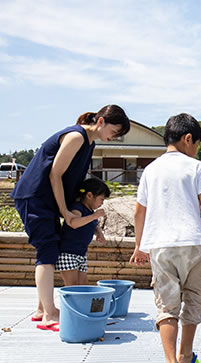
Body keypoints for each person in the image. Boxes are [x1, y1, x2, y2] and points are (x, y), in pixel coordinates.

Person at [129, 113, 201, 363]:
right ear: (187, 139)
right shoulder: (196, 167)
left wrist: (139, 246)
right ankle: (186, 355)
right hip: (194, 243)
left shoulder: (151, 170)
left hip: (161, 246)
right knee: (194, 300)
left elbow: (139, 211)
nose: (196, 149)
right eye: (196, 143)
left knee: (167, 305)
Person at [11, 105, 129, 331]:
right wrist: (65, 211)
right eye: (115, 132)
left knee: (51, 248)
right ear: (101, 121)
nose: (114, 137)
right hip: (35, 197)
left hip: (47, 201)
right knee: (46, 250)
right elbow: (55, 173)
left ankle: (40, 309)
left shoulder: (90, 142)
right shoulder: (76, 136)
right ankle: (49, 313)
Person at [56, 178, 110, 287]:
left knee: (83, 285)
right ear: (89, 195)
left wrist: (99, 233)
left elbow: (93, 224)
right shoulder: (77, 208)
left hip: (80, 253)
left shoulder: (90, 212)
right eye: (101, 199)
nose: (102, 203)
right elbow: (74, 223)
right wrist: (94, 216)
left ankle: (80, 304)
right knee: (72, 286)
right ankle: (70, 304)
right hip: (68, 252)